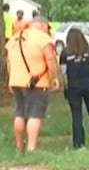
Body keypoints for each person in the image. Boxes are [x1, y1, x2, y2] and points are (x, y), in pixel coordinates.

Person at [6, 16, 60, 152]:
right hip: (36, 82)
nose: (47, 30)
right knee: (34, 115)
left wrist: (11, 79)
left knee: (19, 114)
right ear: (42, 25)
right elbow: (50, 59)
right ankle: (31, 148)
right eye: (47, 28)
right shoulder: (43, 38)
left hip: (16, 81)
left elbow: (9, 62)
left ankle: (19, 147)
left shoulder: (15, 38)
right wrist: (53, 78)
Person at [60, 28, 89, 149]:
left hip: (73, 87)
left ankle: (79, 143)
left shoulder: (65, 53)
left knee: (76, 115)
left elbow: (63, 72)